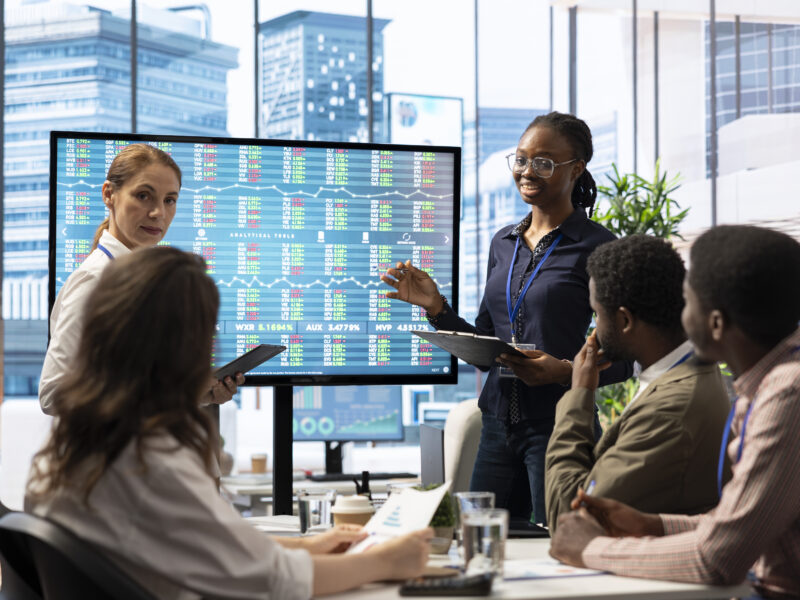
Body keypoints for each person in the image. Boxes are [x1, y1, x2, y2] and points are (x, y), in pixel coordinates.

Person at [26, 246, 433, 599]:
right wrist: (386, 560)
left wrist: (314, 546)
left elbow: (209, 548)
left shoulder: (70, 453)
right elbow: (275, 580)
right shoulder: (152, 462)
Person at [382, 112, 631, 525]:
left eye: (544, 162)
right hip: (497, 427)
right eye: (521, 159)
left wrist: (563, 372)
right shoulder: (503, 242)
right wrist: (436, 308)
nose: (527, 171)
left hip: (560, 425)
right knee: (481, 541)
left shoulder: (599, 246)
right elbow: (485, 346)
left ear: (576, 168)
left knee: (560, 541)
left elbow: (627, 357)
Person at [550, 225, 800, 599]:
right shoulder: (767, 383)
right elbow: (739, 525)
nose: (680, 315)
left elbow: (718, 558)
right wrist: (652, 525)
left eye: (688, 302)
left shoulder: (787, 394)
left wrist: (591, 549)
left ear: (716, 323)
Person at [39, 143, 243, 416]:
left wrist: (194, 394)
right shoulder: (95, 281)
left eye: (169, 200)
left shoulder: (149, 280)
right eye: (143, 196)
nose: (158, 213)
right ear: (109, 194)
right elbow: (53, 394)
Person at [544, 235, 730, 531]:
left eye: (597, 314)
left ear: (624, 321)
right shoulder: (695, 372)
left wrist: (579, 394)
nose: (594, 327)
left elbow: (568, 518)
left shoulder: (668, 411)